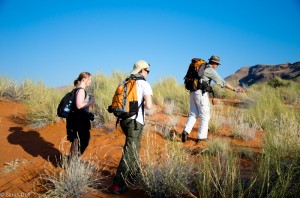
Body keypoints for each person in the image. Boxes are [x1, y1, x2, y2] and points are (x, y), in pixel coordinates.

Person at [112, 60, 153, 194]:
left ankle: (135, 176)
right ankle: (118, 184)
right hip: (135, 122)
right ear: (142, 70)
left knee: (134, 149)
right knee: (129, 152)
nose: (148, 73)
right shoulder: (144, 84)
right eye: (147, 71)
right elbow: (149, 105)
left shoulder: (126, 82)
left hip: (124, 120)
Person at [182, 55, 244, 143]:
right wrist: (234, 89)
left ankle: (185, 131)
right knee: (205, 116)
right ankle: (202, 138)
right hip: (200, 93)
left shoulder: (202, 68)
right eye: (217, 64)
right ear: (215, 63)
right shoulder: (210, 70)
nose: (217, 66)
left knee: (193, 114)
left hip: (192, 91)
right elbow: (222, 82)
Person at [66, 72, 95, 157]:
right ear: (84, 79)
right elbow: (79, 105)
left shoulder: (76, 90)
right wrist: (91, 102)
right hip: (80, 121)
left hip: (76, 120)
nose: (90, 81)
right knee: (82, 140)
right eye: (89, 79)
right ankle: (72, 162)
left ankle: (72, 161)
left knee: (77, 141)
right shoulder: (81, 91)